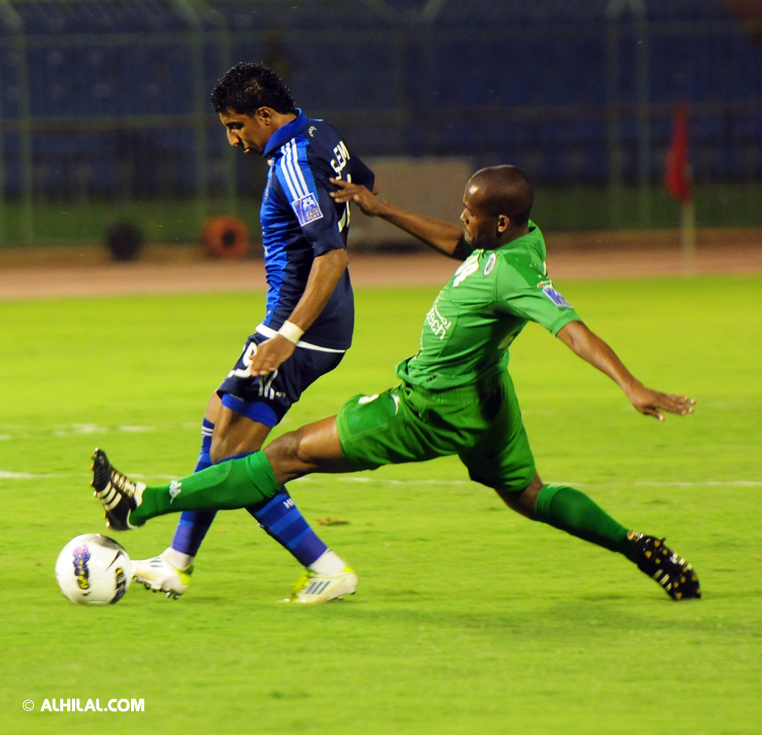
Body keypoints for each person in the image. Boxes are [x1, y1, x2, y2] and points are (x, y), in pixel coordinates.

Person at [92, 165, 701, 601]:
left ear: (503, 221)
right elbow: (459, 244)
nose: (463, 219)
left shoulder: (513, 274)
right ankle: (638, 546)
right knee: (528, 494)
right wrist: (383, 211)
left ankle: (145, 503)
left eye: (472, 212)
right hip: (489, 398)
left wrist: (631, 385)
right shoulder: (521, 239)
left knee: (284, 454)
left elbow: (571, 329)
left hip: (428, 408)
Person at [130, 62, 376, 604]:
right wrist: (360, 199)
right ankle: (175, 561)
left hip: (303, 324)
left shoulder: (290, 161)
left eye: (237, 125)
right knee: (217, 419)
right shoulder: (321, 133)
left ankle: (326, 567)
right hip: (310, 320)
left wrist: (287, 334)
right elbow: (363, 181)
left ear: (265, 115)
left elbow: (331, 258)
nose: (233, 139)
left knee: (231, 459)